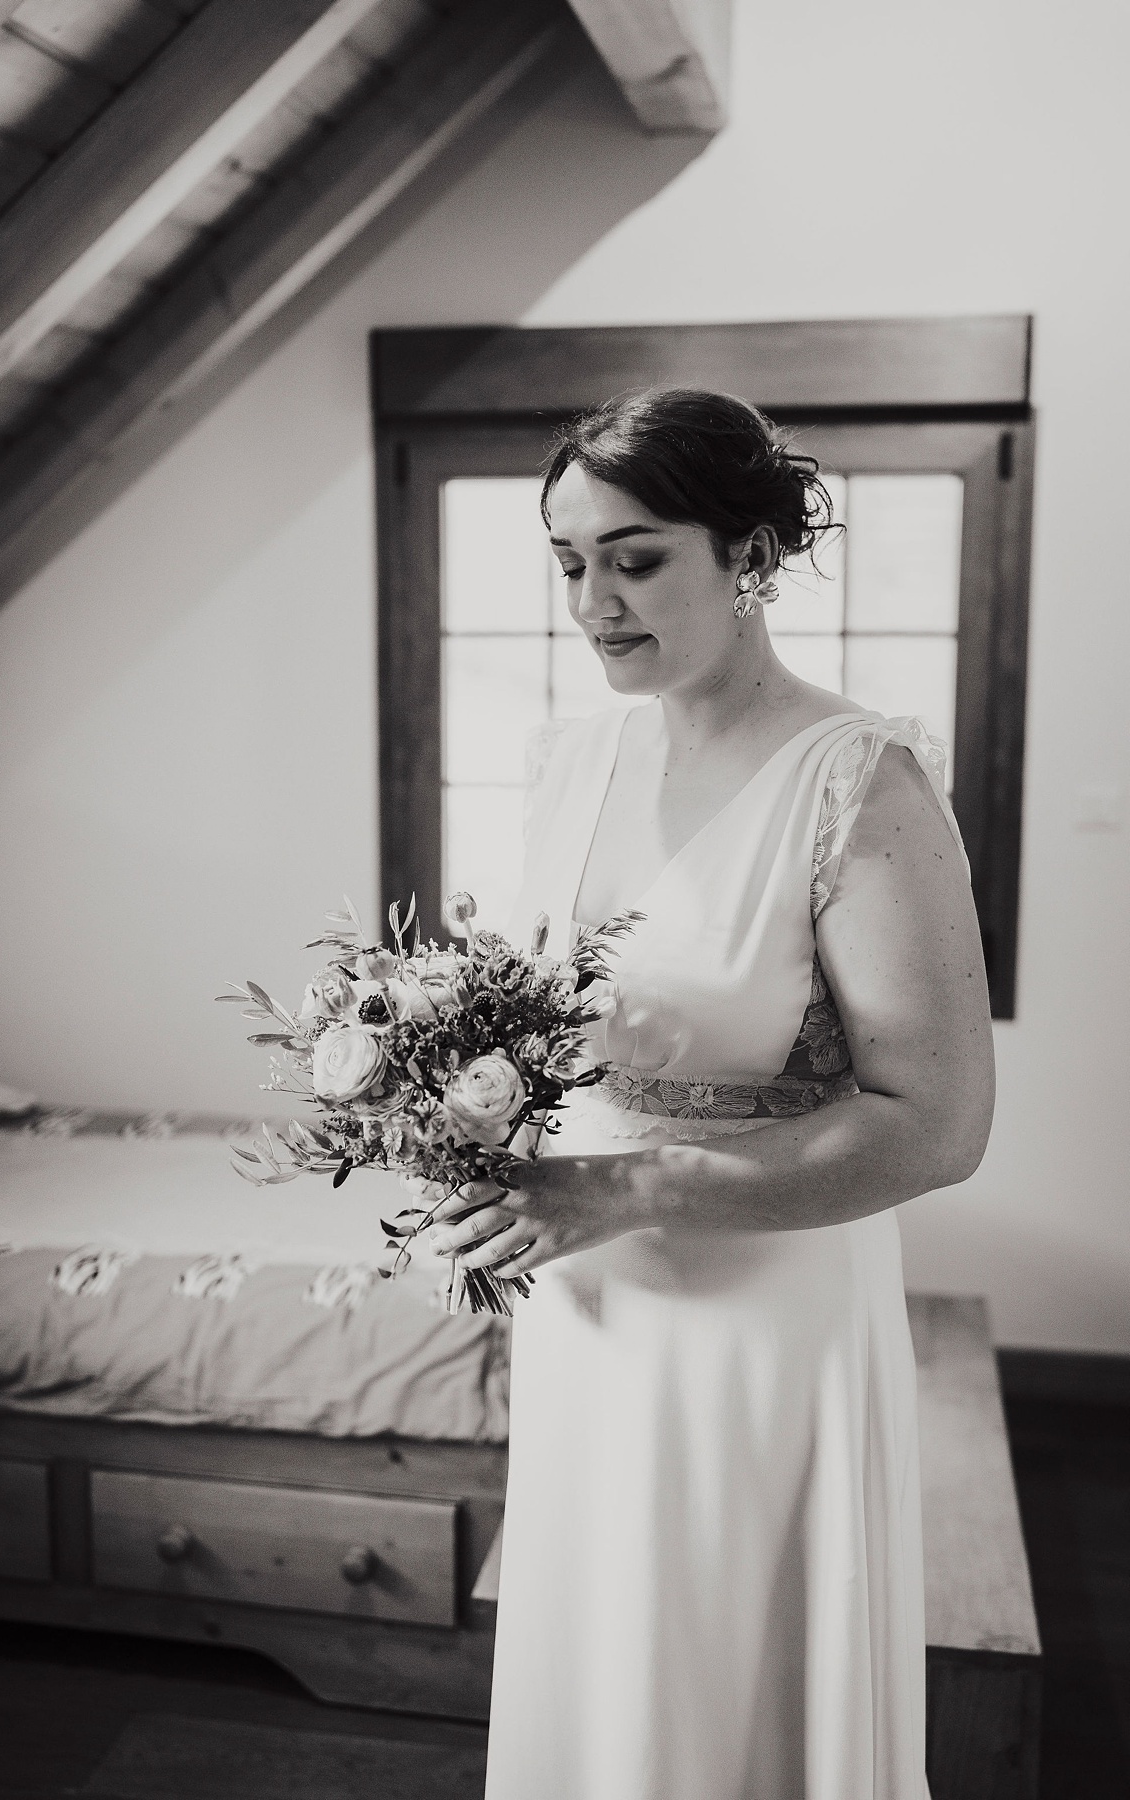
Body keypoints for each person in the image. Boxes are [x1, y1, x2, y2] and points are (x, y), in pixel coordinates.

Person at [426, 390, 995, 1800]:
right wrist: (459, 1103)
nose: (592, 603)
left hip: (768, 1317)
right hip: (594, 1304)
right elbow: (553, 1020)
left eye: (635, 558)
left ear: (746, 553)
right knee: (607, 1678)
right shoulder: (569, 761)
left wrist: (631, 1188)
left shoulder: (858, 783)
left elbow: (940, 1122)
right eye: (568, 563)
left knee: (738, 1683)